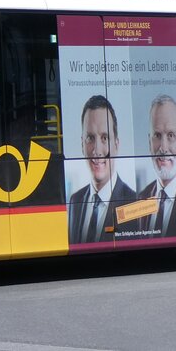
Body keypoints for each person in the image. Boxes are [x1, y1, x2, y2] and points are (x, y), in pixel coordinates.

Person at [67, 94, 135, 243]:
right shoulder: (74, 201)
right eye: (90, 138)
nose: (97, 150)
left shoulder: (134, 202)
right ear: (82, 145)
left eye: (104, 138)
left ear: (116, 145)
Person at [136, 94, 176, 236]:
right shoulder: (141, 198)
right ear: (149, 143)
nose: (163, 147)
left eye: (170, 135)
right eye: (157, 136)